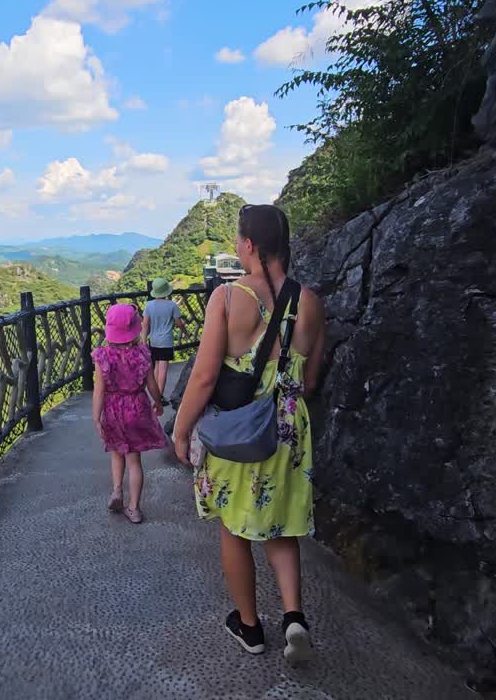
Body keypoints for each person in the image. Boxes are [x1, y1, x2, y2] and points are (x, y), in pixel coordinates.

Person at [171, 204, 326, 666]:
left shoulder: (227, 298)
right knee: (280, 523)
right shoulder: (310, 301)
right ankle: (294, 617)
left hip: (239, 428)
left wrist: (180, 433)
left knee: (235, 527)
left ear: (250, 246)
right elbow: (311, 380)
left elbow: (202, 377)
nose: (237, 247)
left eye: (239, 240)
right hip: (288, 428)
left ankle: (250, 625)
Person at [92, 303, 168, 524]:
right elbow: (152, 385)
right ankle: (134, 508)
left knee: (116, 452)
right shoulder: (143, 353)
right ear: (135, 328)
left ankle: (117, 491)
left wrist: (96, 417)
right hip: (137, 408)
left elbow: (99, 389)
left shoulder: (103, 356)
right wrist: (158, 402)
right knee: (134, 460)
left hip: (112, 409)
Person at [142, 278, 186, 400]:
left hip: (154, 340)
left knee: (156, 366)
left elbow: (145, 324)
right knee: (163, 368)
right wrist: (185, 332)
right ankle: (160, 396)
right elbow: (179, 323)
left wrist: (144, 340)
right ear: (167, 291)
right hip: (166, 340)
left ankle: (155, 393)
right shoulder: (172, 305)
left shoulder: (149, 305)